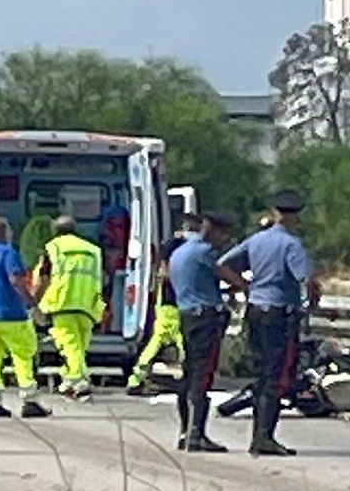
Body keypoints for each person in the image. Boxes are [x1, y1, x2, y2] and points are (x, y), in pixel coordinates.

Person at [218, 189, 321, 458]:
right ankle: (264, 436)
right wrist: (313, 304)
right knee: (277, 375)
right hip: (280, 314)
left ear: (274, 212)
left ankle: (260, 435)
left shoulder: (256, 240)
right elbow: (308, 281)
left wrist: (245, 286)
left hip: (255, 310)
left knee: (263, 372)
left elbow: (223, 265)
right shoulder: (291, 244)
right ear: (297, 215)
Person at [0, 217, 51, 419]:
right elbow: (16, 280)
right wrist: (31, 302)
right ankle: (29, 400)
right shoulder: (7, 252)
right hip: (10, 314)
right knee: (23, 354)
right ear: (4, 233)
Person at [168, 212, 235, 453]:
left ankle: (186, 431)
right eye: (223, 235)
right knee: (202, 376)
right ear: (213, 231)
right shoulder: (206, 253)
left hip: (186, 315)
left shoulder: (180, 252)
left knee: (189, 373)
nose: (224, 240)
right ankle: (197, 434)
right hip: (206, 317)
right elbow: (229, 275)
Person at [126, 213, 202, 395]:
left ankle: (139, 376)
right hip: (172, 300)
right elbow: (163, 272)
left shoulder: (185, 246)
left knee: (167, 339)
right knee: (175, 340)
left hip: (178, 300)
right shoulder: (175, 245)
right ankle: (188, 378)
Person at [34, 215, 106, 400]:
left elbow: (43, 277)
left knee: (69, 345)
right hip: (88, 304)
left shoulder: (53, 247)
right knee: (79, 347)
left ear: (55, 231)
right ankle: (68, 381)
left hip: (63, 302)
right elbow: (102, 278)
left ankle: (80, 380)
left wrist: (36, 302)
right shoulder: (93, 250)